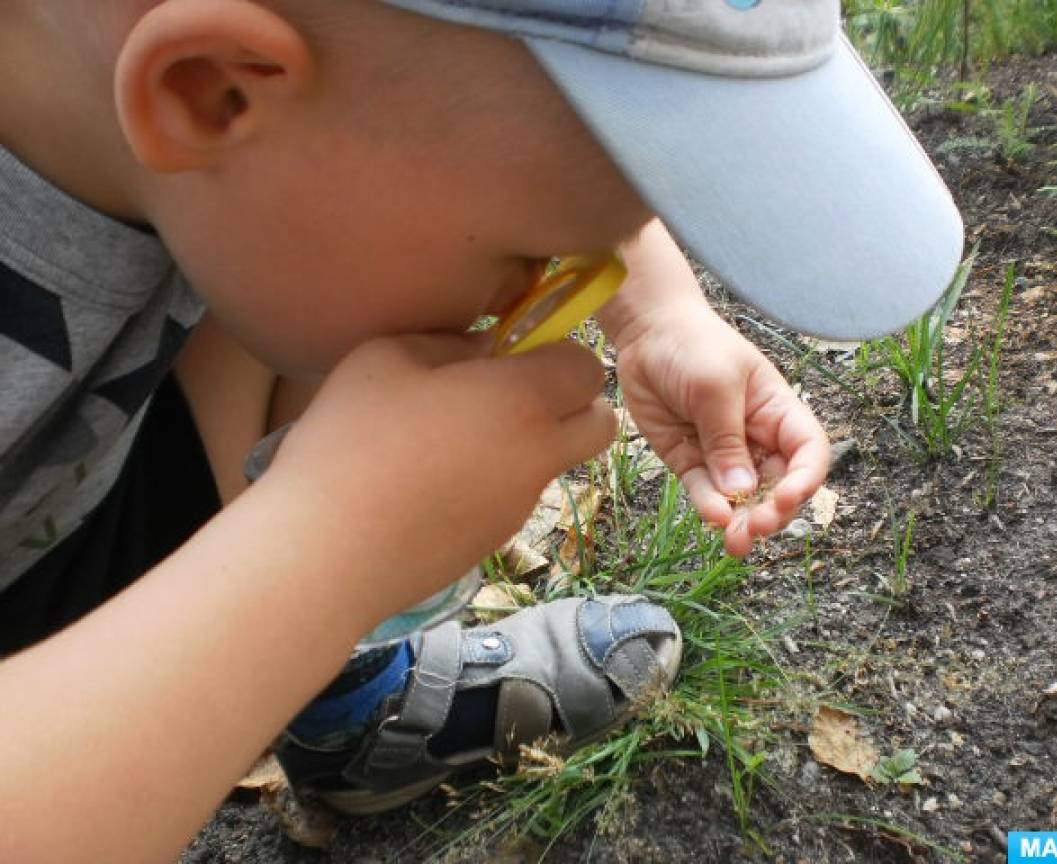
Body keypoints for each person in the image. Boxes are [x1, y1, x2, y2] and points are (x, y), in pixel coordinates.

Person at [0, 0, 962, 861]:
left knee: (334, 262)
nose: (566, 281)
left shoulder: (205, 139)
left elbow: (469, 117)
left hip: (85, 497)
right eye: (538, 253)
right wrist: (329, 547)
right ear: (210, 90)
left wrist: (656, 311)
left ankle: (333, 702)